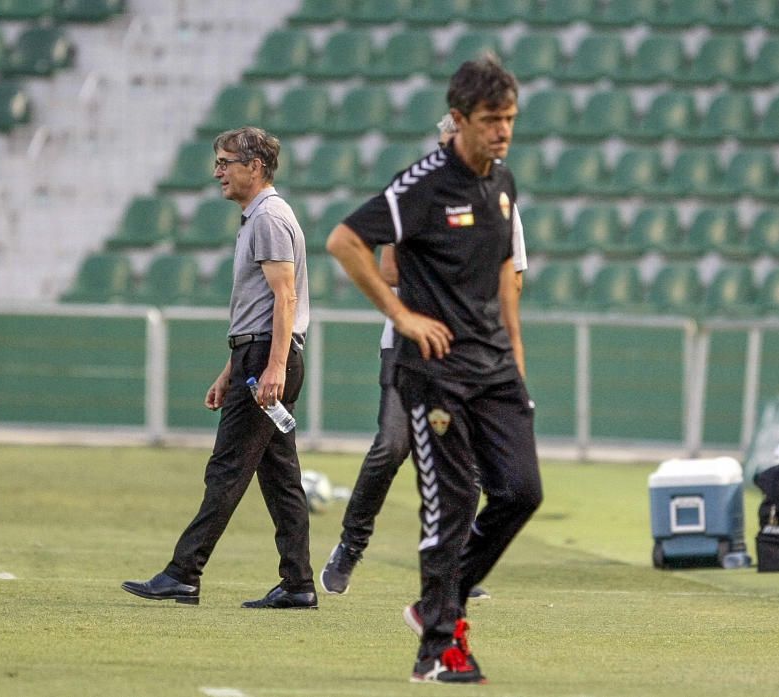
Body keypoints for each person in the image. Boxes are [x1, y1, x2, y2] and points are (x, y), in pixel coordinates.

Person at [326, 55, 542, 684]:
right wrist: (403, 316)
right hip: (436, 371)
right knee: (449, 505)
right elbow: (345, 241)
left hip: (495, 368)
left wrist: (517, 353)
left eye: (509, 119)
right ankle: (438, 652)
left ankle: (434, 605)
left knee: (522, 492)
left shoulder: (504, 184)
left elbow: (507, 271)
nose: (502, 131)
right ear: (459, 120)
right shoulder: (421, 185)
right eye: (490, 120)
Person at [122, 126, 317, 610]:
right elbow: (261, 306)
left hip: (267, 358)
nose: (218, 172)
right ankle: (297, 584)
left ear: (255, 167)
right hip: (258, 356)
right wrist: (232, 368)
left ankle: (183, 573)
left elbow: (283, 296)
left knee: (227, 469)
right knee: (281, 478)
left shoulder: (268, 217)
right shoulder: (263, 216)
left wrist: (270, 366)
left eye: (227, 162)